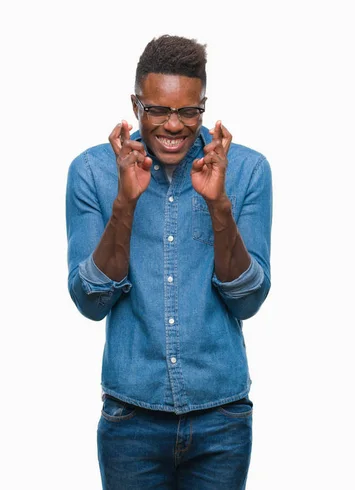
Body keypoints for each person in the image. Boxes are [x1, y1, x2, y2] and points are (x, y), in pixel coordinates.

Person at [65, 34, 272, 489]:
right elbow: (90, 300)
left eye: (188, 110)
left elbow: (249, 299)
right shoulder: (94, 172)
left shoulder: (248, 170)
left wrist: (219, 206)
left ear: (203, 106)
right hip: (130, 419)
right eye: (158, 109)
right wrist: (125, 203)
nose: (174, 125)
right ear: (136, 104)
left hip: (221, 417)